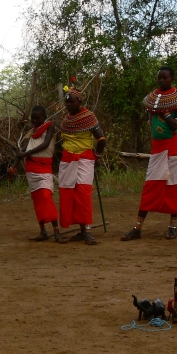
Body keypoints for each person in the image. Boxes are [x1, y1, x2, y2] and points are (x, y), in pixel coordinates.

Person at [122, 67, 177, 241]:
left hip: (175, 147)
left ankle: (172, 226)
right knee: (150, 186)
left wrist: (165, 114)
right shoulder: (151, 100)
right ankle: (137, 227)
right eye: (159, 77)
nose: (161, 80)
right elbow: (149, 119)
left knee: (175, 186)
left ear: (172, 78)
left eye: (164, 77)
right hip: (158, 148)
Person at [58, 82, 106, 245]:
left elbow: (101, 139)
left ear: (80, 101)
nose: (68, 105)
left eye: (71, 101)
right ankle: (82, 230)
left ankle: (88, 231)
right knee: (69, 194)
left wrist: (96, 156)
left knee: (83, 194)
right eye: (66, 102)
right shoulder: (67, 120)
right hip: (67, 160)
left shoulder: (89, 117)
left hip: (84, 159)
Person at [16, 105, 61, 242]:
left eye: (37, 118)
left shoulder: (50, 127)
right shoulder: (33, 132)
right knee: (37, 200)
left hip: (44, 169)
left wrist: (27, 153)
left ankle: (56, 231)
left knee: (46, 197)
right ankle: (43, 231)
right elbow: (23, 150)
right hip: (31, 169)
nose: (34, 121)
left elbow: (46, 144)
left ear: (44, 117)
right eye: (32, 119)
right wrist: (13, 166)